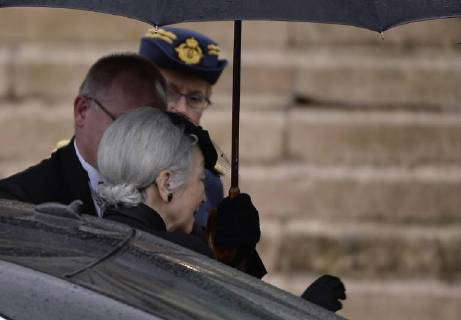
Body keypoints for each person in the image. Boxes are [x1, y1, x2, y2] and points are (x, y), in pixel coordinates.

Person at [97, 107, 266, 278]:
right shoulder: (185, 258)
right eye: (201, 179)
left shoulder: (81, 233)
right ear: (166, 184)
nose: (204, 197)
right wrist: (240, 258)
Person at [0, 54, 167, 216]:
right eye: (125, 126)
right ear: (82, 111)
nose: (139, 142)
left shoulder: (167, 198)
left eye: (150, 131)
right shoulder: (20, 201)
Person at [139, 27, 227, 228]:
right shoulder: (104, 161)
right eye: (169, 91)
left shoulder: (209, 183)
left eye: (195, 98)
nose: (180, 110)